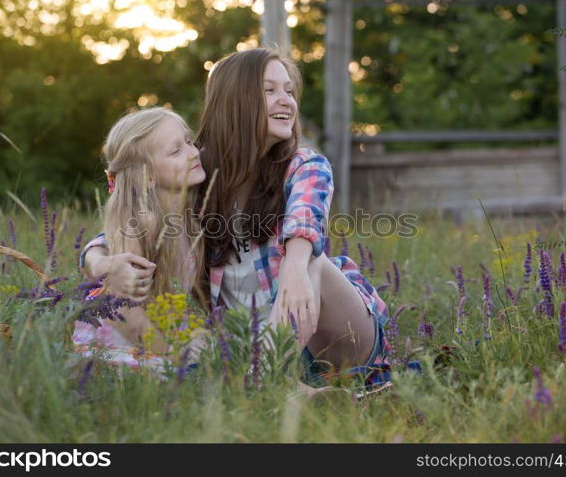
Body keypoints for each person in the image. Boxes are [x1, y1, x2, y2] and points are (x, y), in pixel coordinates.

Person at [82, 49, 390, 387]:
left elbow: (306, 221)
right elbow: (117, 233)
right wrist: (102, 264)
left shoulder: (305, 167)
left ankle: (266, 382)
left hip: (337, 336)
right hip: (254, 344)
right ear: (236, 100)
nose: (286, 99)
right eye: (269, 90)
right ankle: (269, 381)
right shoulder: (200, 174)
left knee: (312, 263)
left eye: (289, 90)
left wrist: (295, 267)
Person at [73, 107, 206, 369]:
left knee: (223, 353)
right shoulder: (143, 222)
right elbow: (122, 307)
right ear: (148, 176)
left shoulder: (188, 216)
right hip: (121, 338)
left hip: (160, 327)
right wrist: (170, 355)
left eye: (189, 141)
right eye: (176, 150)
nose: (194, 153)